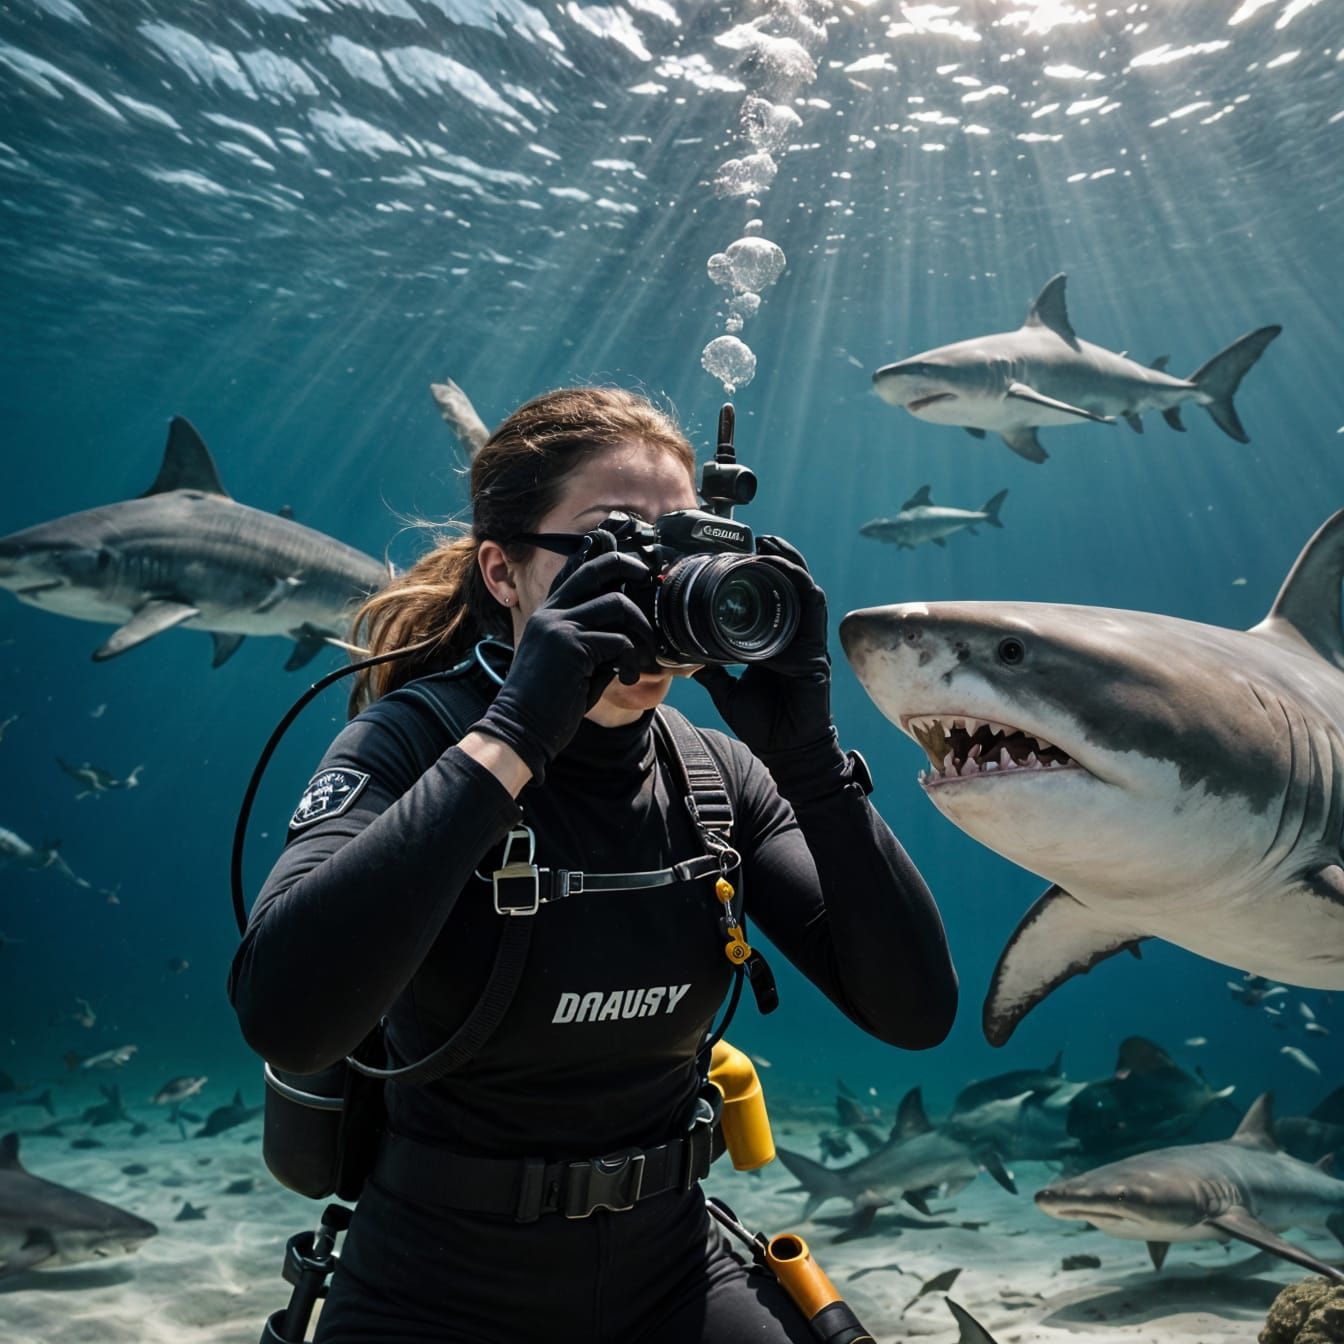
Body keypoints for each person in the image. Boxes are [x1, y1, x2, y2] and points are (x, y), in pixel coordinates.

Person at [229, 387, 957, 1343]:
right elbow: (286, 1015)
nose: (653, 584)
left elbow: (913, 1013)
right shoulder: (408, 744)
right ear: (503, 571)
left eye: (680, 546)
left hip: (672, 1265)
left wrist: (814, 766)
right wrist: (520, 731)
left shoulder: (712, 773)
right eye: (613, 544)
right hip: (433, 1283)